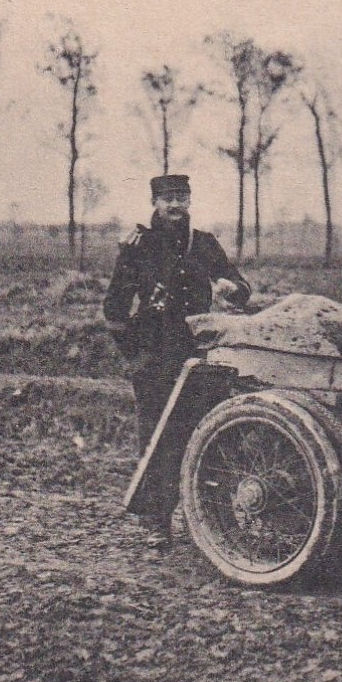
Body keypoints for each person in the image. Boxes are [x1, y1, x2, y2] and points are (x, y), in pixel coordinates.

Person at [103, 174, 251, 548]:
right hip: (154, 360)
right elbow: (115, 308)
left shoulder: (202, 244)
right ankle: (156, 522)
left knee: (203, 433)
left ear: (190, 201)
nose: (175, 205)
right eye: (167, 198)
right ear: (154, 202)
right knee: (156, 437)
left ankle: (209, 520)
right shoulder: (139, 246)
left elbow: (238, 286)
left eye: (181, 197)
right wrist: (134, 354)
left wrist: (234, 291)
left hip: (197, 356)